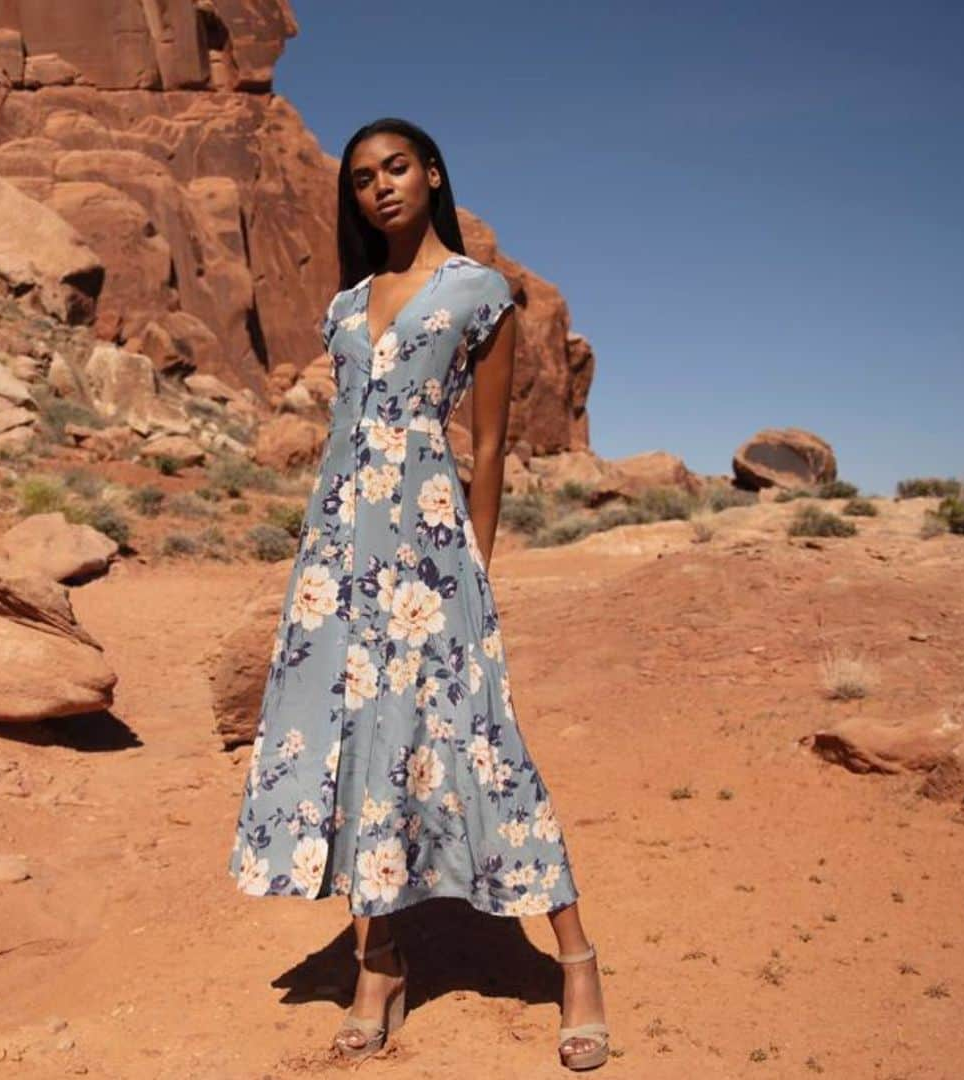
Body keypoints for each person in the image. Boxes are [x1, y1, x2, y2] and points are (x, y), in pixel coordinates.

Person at [226, 117, 609, 1070]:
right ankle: (381, 961)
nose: (381, 188)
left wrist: (476, 565)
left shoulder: (479, 294)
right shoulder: (346, 306)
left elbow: (486, 452)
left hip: (431, 557)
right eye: (362, 179)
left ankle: (577, 960)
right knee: (356, 742)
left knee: (484, 741)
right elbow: (343, 440)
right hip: (336, 558)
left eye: (397, 168)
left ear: (432, 175)